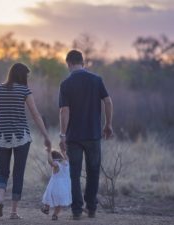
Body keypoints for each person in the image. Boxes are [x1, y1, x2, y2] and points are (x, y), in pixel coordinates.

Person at [0, 62, 51, 219]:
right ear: (22, 76)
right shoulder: (24, 91)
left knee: (3, 171)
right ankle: (14, 212)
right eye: (26, 76)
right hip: (21, 137)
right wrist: (46, 136)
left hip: (1, 136)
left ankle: (0, 199)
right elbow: (35, 115)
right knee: (18, 173)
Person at [59, 50, 113, 220]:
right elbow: (108, 101)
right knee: (93, 171)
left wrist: (62, 134)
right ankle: (91, 208)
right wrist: (108, 124)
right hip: (93, 134)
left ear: (69, 63)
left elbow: (64, 111)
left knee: (74, 174)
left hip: (73, 137)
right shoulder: (96, 80)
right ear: (82, 62)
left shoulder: (66, 84)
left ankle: (76, 210)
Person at [41, 150, 72, 221]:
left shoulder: (56, 164)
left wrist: (49, 153)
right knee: (59, 202)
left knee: (48, 196)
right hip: (65, 187)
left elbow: (51, 162)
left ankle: (46, 208)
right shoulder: (66, 163)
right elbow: (66, 157)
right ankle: (55, 215)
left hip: (55, 186)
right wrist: (63, 151)